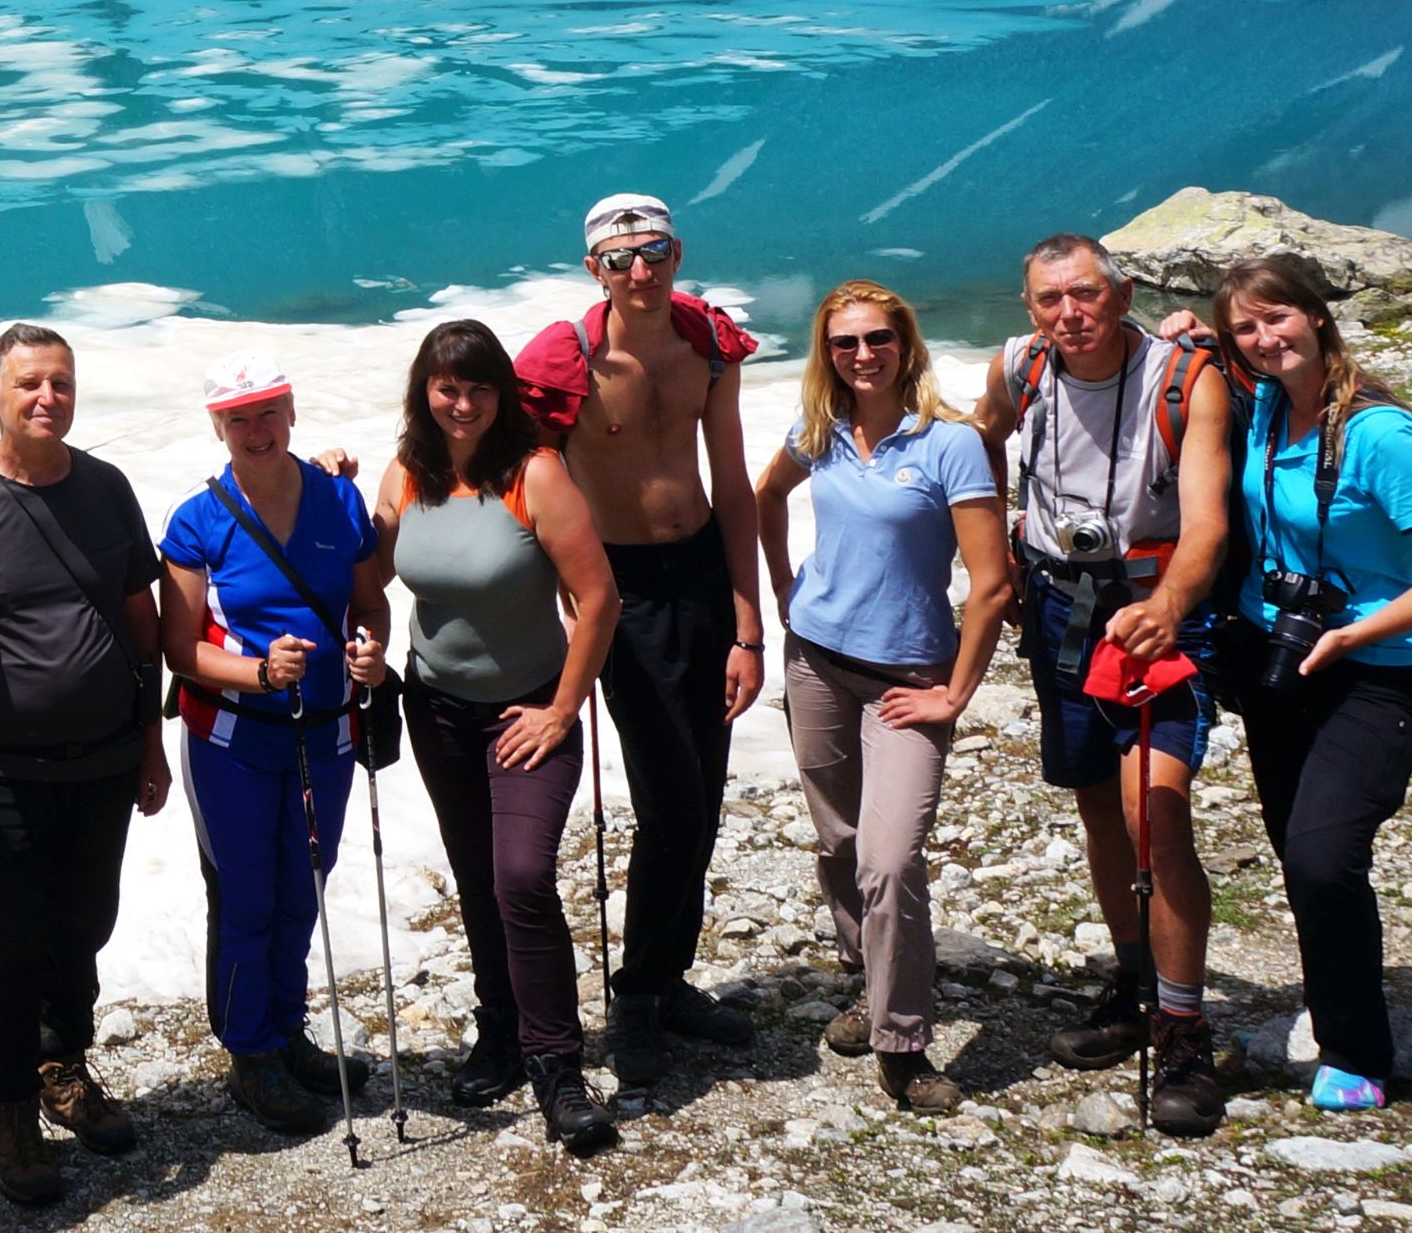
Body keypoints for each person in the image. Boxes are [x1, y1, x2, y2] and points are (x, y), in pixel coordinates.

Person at [1210, 251, 1412, 1113]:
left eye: (1278, 318)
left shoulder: (1378, 434)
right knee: (1302, 860)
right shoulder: (1269, 407)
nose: (1266, 339)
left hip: (1371, 678)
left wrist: (1356, 630)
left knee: (1323, 855)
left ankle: (1357, 1050)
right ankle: (1339, 1006)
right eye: (1246, 328)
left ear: (1318, 314)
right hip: (1279, 667)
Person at [0, 322, 171, 1208]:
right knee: (6, 944)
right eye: (27, 384)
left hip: (102, 763)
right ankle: (8, 1103)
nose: (46, 397)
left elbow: (142, 621)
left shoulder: (107, 488)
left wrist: (151, 742)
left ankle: (63, 1063)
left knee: (83, 924)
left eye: (60, 381)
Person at [975, 234, 1236, 1135]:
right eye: (1049, 300)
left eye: (1086, 295)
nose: (1069, 315)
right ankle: (1134, 979)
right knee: (1096, 802)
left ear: (1121, 290)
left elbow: (1207, 520)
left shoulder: (1183, 377)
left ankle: (1184, 1024)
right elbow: (979, 448)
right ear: (1028, 307)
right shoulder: (1021, 369)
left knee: (1153, 813)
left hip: (1152, 612)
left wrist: (1168, 603)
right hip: (1059, 607)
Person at [510, 193, 768, 1084]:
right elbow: (525, 478)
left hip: (699, 573)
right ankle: (638, 995)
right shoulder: (565, 358)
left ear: (676, 252)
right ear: (595, 268)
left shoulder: (707, 341)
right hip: (617, 594)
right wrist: (556, 605)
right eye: (620, 258)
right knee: (671, 803)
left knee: (704, 786)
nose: (640, 271)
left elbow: (731, 482)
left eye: (654, 251)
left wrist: (748, 620)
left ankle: (666, 977)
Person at [352, 318, 625, 1157]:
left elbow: (600, 598)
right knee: (478, 876)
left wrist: (561, 708)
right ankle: (500, 1030)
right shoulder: (410, 472)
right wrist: (365, 646)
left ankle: (557, 1065)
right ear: (424, 392)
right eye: (447, 386)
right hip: (438, 709)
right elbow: (369, 578)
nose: (462, 402)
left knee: (521, 877)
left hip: (528, 710)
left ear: (499, 392)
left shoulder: (533, 474)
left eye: (476, 386)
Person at [755, 282, 1012, 1115]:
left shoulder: (951, 443)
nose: (862, 355)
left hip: (909, 678)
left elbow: (992, 582)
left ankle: (903, 1040)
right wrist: (785, 587)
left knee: (889, 856)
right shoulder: (819, 430)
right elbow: (764, 498)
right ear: (826, 353)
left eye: (877, 339)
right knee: (838, 840)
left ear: (906, 343)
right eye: (844, 343)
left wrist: (956, 693)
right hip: (817, 663)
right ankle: (868, 985)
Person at [160, 350, 381, 1136]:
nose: (256, 430)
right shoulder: (198, 519)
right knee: (248, 893)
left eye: (268, 413)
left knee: (303, 883)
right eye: (238, 419)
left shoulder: (339, 499)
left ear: (292, 414)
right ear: (218, 427)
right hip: (232, 736)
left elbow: (370, 605)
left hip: (326, 732)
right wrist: (257, 671)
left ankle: (287, 1031)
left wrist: (370, 654)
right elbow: (179, 648)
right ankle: (249, 1054)